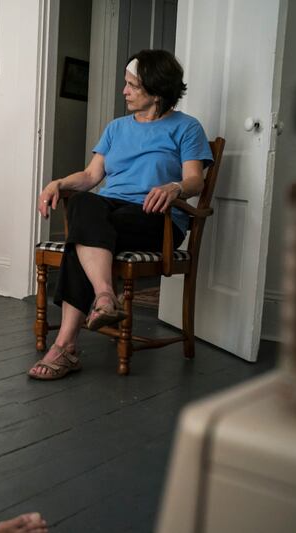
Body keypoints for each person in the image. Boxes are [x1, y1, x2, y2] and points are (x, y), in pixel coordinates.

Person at [28, 49, 214, 380]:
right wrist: (57, 182)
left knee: (83, 235)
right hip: (109, 211)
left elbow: (195, 179)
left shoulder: (187, 128)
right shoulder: (116, 128)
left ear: (156, 91)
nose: (124, 91)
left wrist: (174, 188)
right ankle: (104, 295)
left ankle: (66, 348)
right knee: (85, 203)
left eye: (132, 85)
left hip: (156, 216)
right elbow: (89, 177)